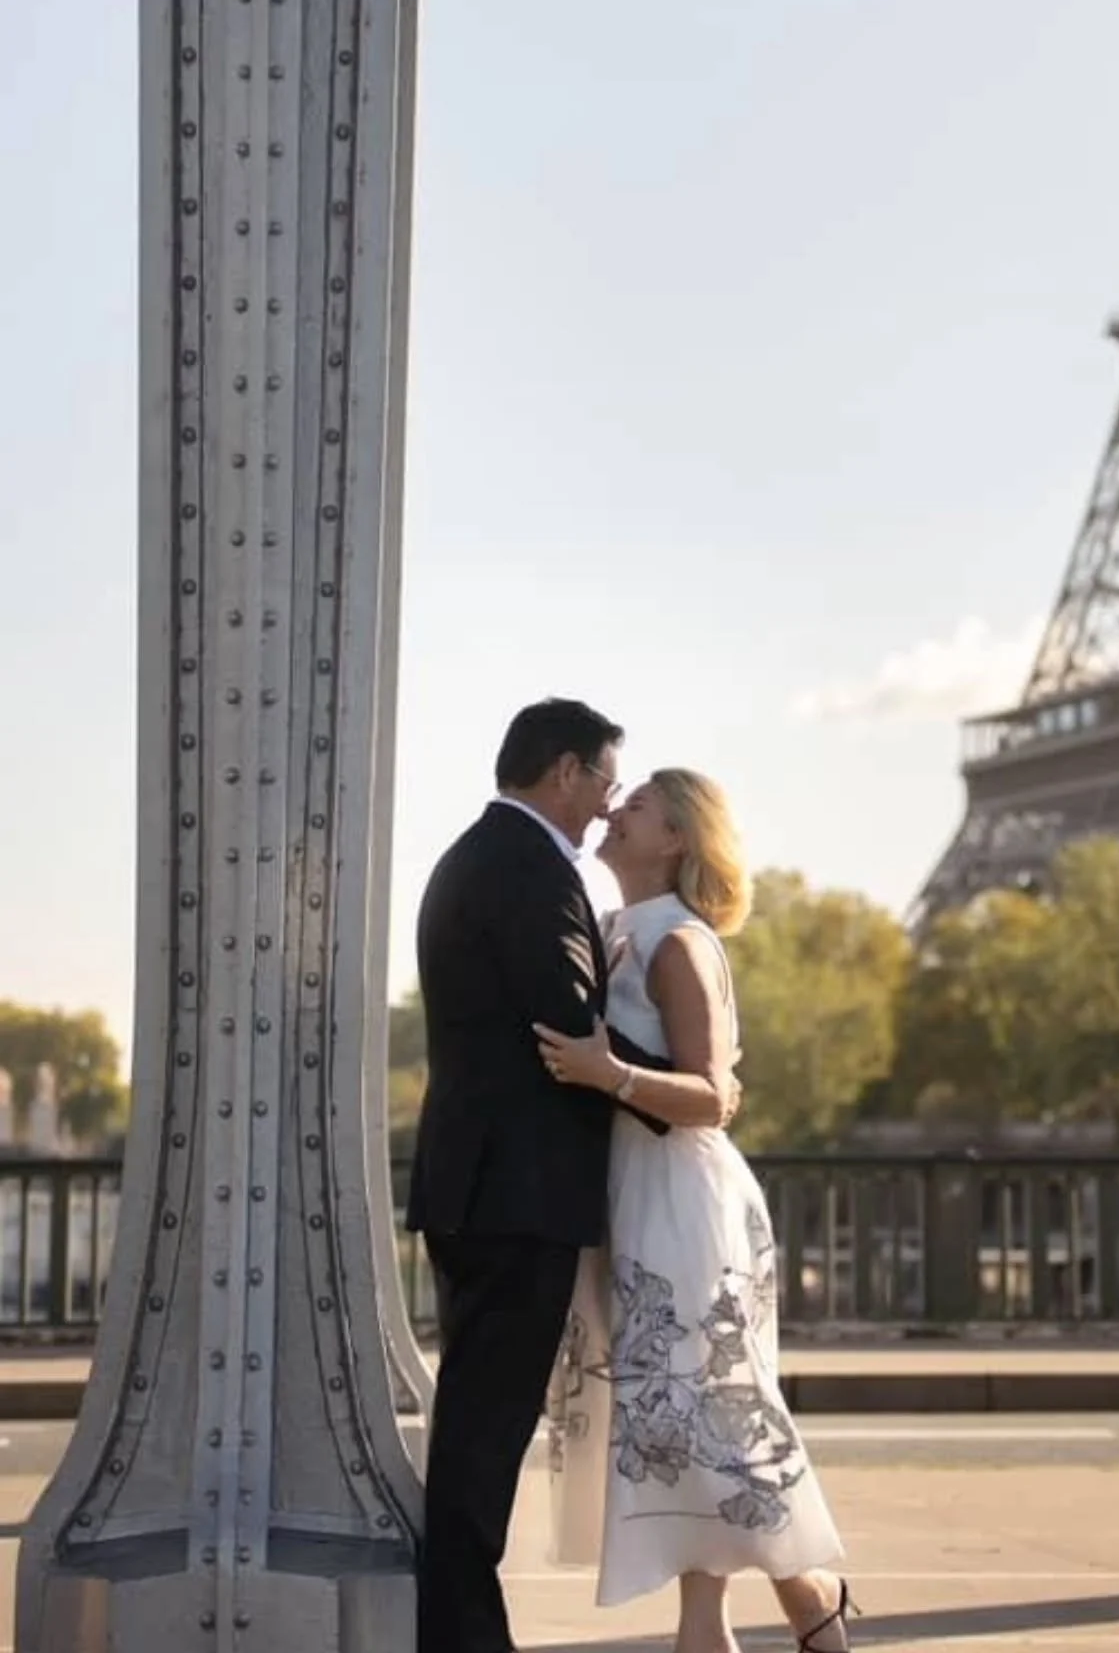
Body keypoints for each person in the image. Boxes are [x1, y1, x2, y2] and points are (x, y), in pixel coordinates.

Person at [407, 699, 705, 1653]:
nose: (606, 808)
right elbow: (567, 1030)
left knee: (476, 1441)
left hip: (485, 1186)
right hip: (515, 1195)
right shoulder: (528, 870)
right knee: (482, 1452)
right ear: (566, 771)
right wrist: (676, 1093)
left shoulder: (486, 856)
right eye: (606, 786)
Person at [536, 769, 854, 1653]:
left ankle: (729, 1624)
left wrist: (612, 1075)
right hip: (634, 1190)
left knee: (707, 1405)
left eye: (634, 805)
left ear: (676, 838)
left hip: (682, 1199)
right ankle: (790, 1613)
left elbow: (713, 1097)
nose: (613, 809)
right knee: (678, 1416)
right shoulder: (614, 932)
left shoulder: (678, 941)